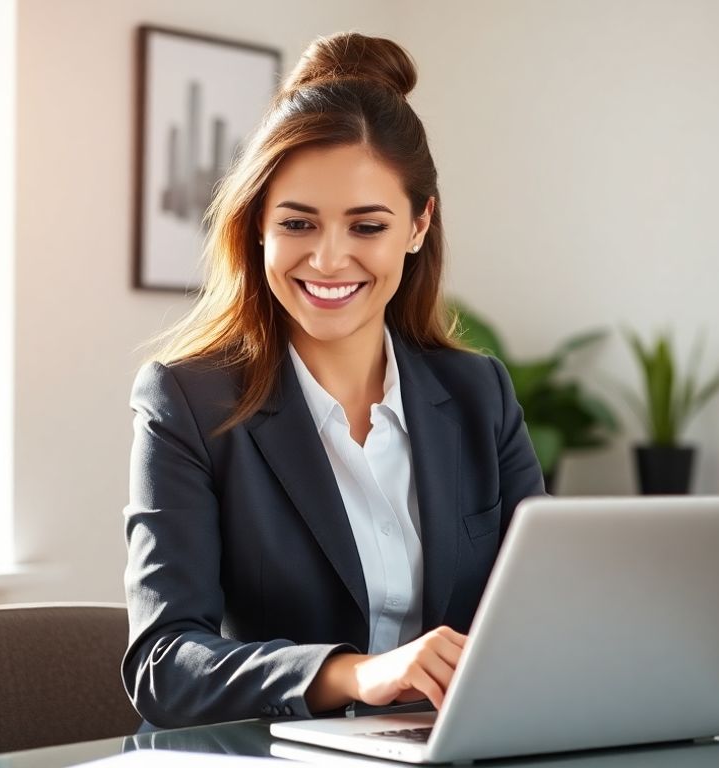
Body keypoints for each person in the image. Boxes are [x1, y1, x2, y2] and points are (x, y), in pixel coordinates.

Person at [122, 32, 545, 730]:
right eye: (298, 222)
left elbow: (546, 608)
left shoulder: (479, 395)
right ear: (258, 224)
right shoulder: (188, 402)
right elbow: (163, 664)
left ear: (417, 225)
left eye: (366, 225)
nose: (327, 259)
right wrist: (356, 673)